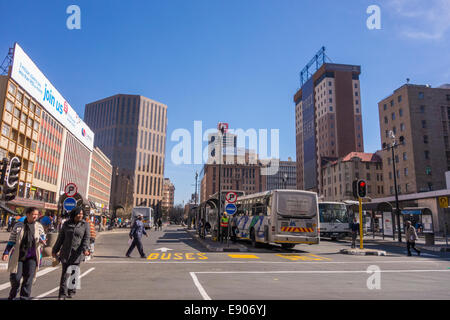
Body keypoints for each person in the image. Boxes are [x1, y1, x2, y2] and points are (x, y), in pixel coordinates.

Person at [2, 207, 46, 300]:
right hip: (19, 256)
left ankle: (24, 297)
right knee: (16, 278)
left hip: (32, 257)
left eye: (37, 215)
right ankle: (13, 292)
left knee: (28, 279)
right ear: (28, 214)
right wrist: (6, 252)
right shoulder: (18, 225)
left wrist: (43, 241)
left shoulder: (39, 226)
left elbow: (43, 237)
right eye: (33, 214)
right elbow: (12, 240)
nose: (35, 216)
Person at [52, 207, 90, 300]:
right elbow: (60, 238)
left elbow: (86, 238)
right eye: (78, 214)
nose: (80, 215)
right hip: (66, 252)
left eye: (81, 214)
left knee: (74, 272)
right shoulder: (66, 224)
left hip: (77, 252)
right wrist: (55, 250)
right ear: (74, 214)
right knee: (65, 274)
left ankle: (71, 290)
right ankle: (62, 294)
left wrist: (85, 249)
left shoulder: (85, 225)